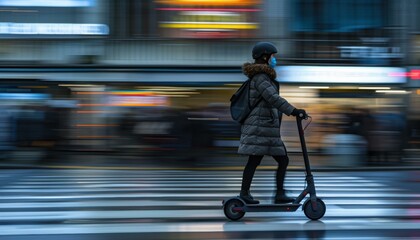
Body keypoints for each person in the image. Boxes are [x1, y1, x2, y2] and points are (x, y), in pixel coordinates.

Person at [238, 42, 307, 204]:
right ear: (265, 56)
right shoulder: (260, 77)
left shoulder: (264, 77)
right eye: (273, 56)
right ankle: (248, 194)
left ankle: (277, 193)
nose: (275, 59)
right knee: (257, 160)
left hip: (266, 127)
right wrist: (293, 110)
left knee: (279, 160)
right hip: (259, 127)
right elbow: (273, 98)